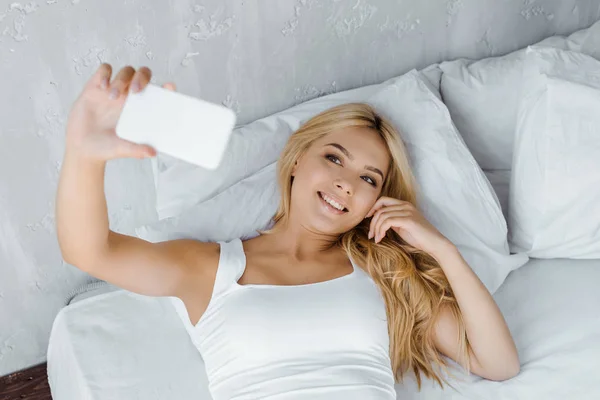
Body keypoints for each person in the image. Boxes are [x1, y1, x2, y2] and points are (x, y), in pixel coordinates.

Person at [56, 64, 520, 400]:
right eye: (334, 158)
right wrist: (84, 153)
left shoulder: (385, 273)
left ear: (374, 203)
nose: (346, 182)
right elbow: (91, 251)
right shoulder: (213, 269)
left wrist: (441, 248)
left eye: (369, 178)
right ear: (297, 161)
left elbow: (498, 364)